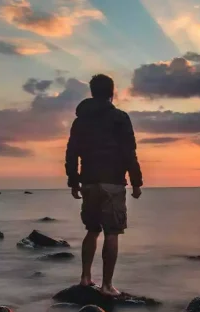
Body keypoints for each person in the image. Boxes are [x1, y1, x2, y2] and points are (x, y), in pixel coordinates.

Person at [65, 74, 143, 296]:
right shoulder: (119, 118)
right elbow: (129, 151)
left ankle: (85, 278)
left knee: (91, 230)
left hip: (88, 182)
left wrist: (73, 180)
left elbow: (72, 152)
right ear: (112, 92)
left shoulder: (80, 121)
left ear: (92, 92)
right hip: (112, 182)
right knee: (112, 232)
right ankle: (107, 286)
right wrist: (136, 183)